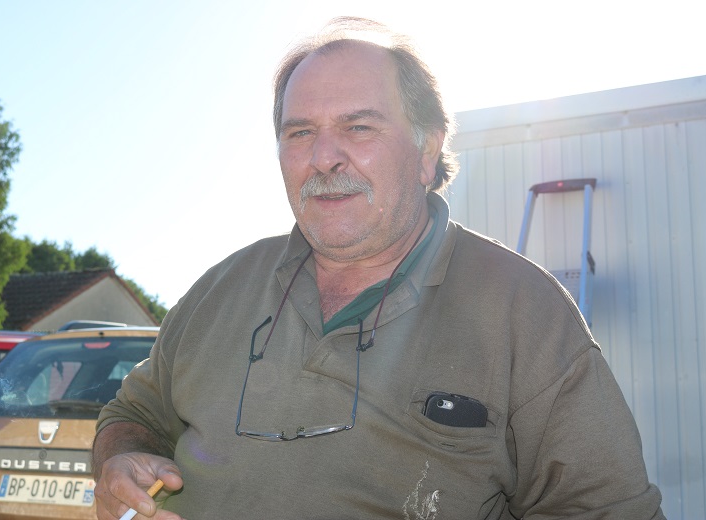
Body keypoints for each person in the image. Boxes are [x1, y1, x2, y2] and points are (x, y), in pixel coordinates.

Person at [93, 17, 665, 520]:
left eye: (358, 127)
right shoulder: (221, 288)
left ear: (426, 151)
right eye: (300, 133)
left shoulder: (523, 311)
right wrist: (122, 458)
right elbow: (134, 411)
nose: (323, 158)